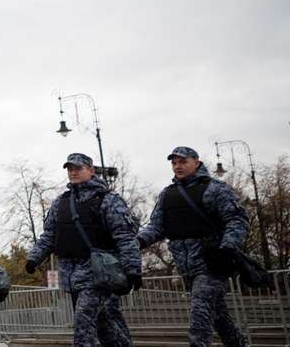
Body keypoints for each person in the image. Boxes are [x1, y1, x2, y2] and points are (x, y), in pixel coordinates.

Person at [137, 146, 250, 347]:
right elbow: (156, 227)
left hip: (213, 263)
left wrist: (228, 246)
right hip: (186, 266)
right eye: (174, 163)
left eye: (183, 162)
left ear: (196, 163)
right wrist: (137, 242)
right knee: (219, 318)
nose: (177, 166)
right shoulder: (167, 195)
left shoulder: (215, 189)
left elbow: (237, 219)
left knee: (200, 317)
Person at [26, 153, 140, 347]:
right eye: (70, 169)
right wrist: (34, 258)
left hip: (98, 272)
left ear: (91, 170)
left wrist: (133, 268)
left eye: (78, 168)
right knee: (106, 327)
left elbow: (125, 237)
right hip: (70, 274)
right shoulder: (60, 203)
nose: (73, 172)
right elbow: (49, 235)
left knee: (82, 324)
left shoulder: (108, 200)